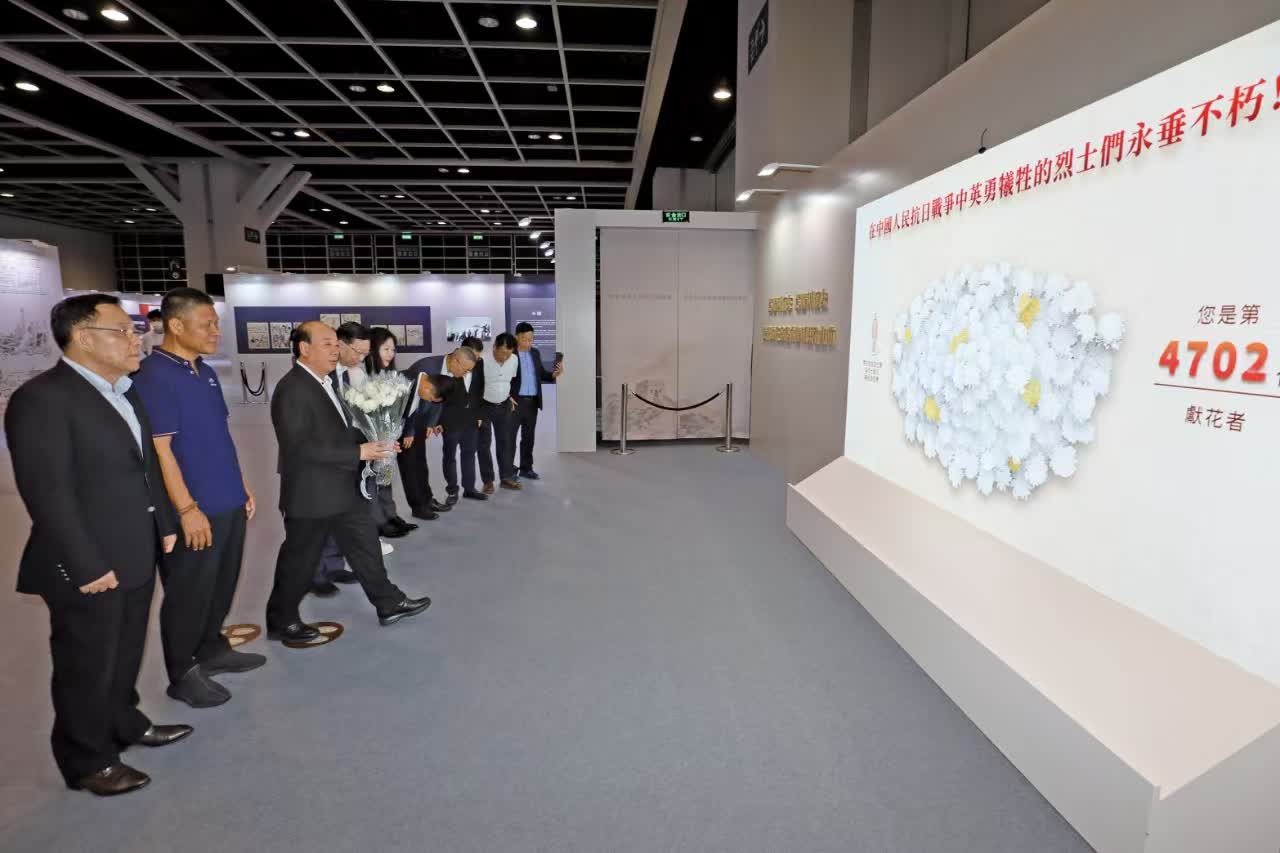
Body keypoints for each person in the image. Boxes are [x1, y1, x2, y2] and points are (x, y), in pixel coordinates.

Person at [5, 293, 190, 797]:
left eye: (135, 331)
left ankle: (124, 722)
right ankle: (87, 759)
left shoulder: (124, 392)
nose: (136, 340)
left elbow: (146, 468)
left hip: (136, 549)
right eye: (123, 331)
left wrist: (165, 523)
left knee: (124, 651)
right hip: (88, 562)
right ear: (84, 338)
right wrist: (84, 565)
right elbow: (47, 493)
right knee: (85, 663)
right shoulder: (43, 399)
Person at [131, 288, 263, 709]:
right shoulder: (154, 376)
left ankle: (211, 648)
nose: (215, 331)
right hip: (194, 507)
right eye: (207, 324)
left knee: (222, 582)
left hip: (226, 498)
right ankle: (182, 672)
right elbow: (161, 451)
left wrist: (240, 485)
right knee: (189, 591)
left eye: (216, 323)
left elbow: (218, 435)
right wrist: (187, 509)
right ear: (176, 325)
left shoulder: (203, 371)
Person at [266, 321, 430, 642]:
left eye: (336, 344)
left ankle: (388, 603)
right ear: (304, 348)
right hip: (312, 494)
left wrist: (376, 441)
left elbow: (341, 430)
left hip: (341, 487)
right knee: (300, 560)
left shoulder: (325, 382)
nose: (335, 350)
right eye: (327, 344)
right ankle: (281, 621)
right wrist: (358, 452)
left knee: (365, 544)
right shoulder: (293, 388)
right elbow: (299, 448)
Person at [364, 327, 418, 540]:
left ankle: (391, 516)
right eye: (385, 349)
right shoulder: (364, 376)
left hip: (388, 438)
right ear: (372, 349)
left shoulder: (392, 376)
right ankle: (378, 521)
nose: (390, 354)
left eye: (393, 349)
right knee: (371, 481)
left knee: (385, 478)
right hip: (370, 441)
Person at [397, 358, 452, 521]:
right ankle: (418, 507)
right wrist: (408, 432)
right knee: (409, 468)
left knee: (421, 464)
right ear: (429, 387)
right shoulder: (403, 381)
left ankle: (427, 500)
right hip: (398, 429)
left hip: (414, 425)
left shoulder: (425, 383)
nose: (428, 401)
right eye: (431, 398)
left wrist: (418, 427)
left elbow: (414, 408)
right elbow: (399, 410)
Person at [510, 322, 563, 481]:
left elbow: (541, 374)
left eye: (531, 339)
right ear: (517, 337)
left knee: (528, 438)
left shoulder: (535, 353)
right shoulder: (510, 354)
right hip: (514, 402)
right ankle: (509, 470)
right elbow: (502, 379)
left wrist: (554, 374)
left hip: (532, 403)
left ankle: (526, 468)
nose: (529, 342)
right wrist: (506, 397)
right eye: (525, 339)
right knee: (510, 438)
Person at [440, 346, 486, 504]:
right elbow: (438, 396)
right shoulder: (446, 368)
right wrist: (438, 421)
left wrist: (480, 415)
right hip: (450, 420)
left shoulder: (477, 366)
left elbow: (480, 390)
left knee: (469, 453)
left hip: (471, 419)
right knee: (450, 456)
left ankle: (469, 489)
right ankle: (452, 491)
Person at [479, 333, 522, 491]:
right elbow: (475, 386)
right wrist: (476, 412)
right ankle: (488, 481)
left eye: (508, 354)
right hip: (484, 406)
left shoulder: (514, 360)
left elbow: (514, 380)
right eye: (502, 353)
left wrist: (511, 396)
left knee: (505, 442)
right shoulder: (482, 361)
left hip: (504, 405)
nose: (505, 357)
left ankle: (506, 477)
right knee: (483, 444)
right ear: (494, 347)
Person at [461, 336, 496, 494]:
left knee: (484, 447)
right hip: (463, 415)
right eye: (474, 355)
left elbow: (484, 389)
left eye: (478, 355)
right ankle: (468, 487)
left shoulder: (482, 364)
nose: (477, 358)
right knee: (467, 451)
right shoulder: (454, 364)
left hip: (482, 412)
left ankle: (488, 481)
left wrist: (480, 415)